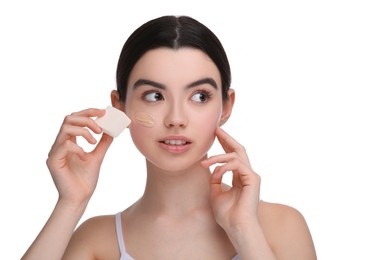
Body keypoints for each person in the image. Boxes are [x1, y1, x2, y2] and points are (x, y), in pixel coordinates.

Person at [22, 15, 317, 260]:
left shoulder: (281, 227)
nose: (176, 118)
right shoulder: (97, 242)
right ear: (119, 106)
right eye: (154, 95)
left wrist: (244, 230)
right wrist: (70, 203)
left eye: (200, 96)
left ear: (226, 106)